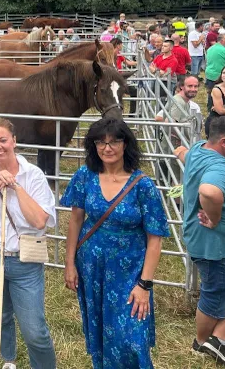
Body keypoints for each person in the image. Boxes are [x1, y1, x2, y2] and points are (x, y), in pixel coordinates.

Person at [61, 118, 169, 369]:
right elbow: (75, 221)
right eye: (101, 142)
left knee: (132, 337)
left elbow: (155, 239)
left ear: (126, 144)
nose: (107, 148)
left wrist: (144, 284)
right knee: (100, 331)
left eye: (114, 141)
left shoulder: (143, 185)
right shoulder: (85, 176)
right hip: (92, 267)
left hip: (130, 271)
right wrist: (69, 265)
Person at [0, 119, 57, 369]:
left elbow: (39, 220)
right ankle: (8, 359)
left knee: (34, 329)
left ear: (14, 141)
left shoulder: (33, 175)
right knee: (0, 315)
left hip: (24, 259)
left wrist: (15, 186)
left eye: (3, 140)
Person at [174, 117, 225, 368]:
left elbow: (182, 152)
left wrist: (181, 152)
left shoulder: (200, 149)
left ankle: (218, 336)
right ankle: (202, 342)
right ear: (223, 142)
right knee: (216, 293)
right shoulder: (219, 167)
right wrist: (215, 219)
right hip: (217, 245)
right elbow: (209, 192)